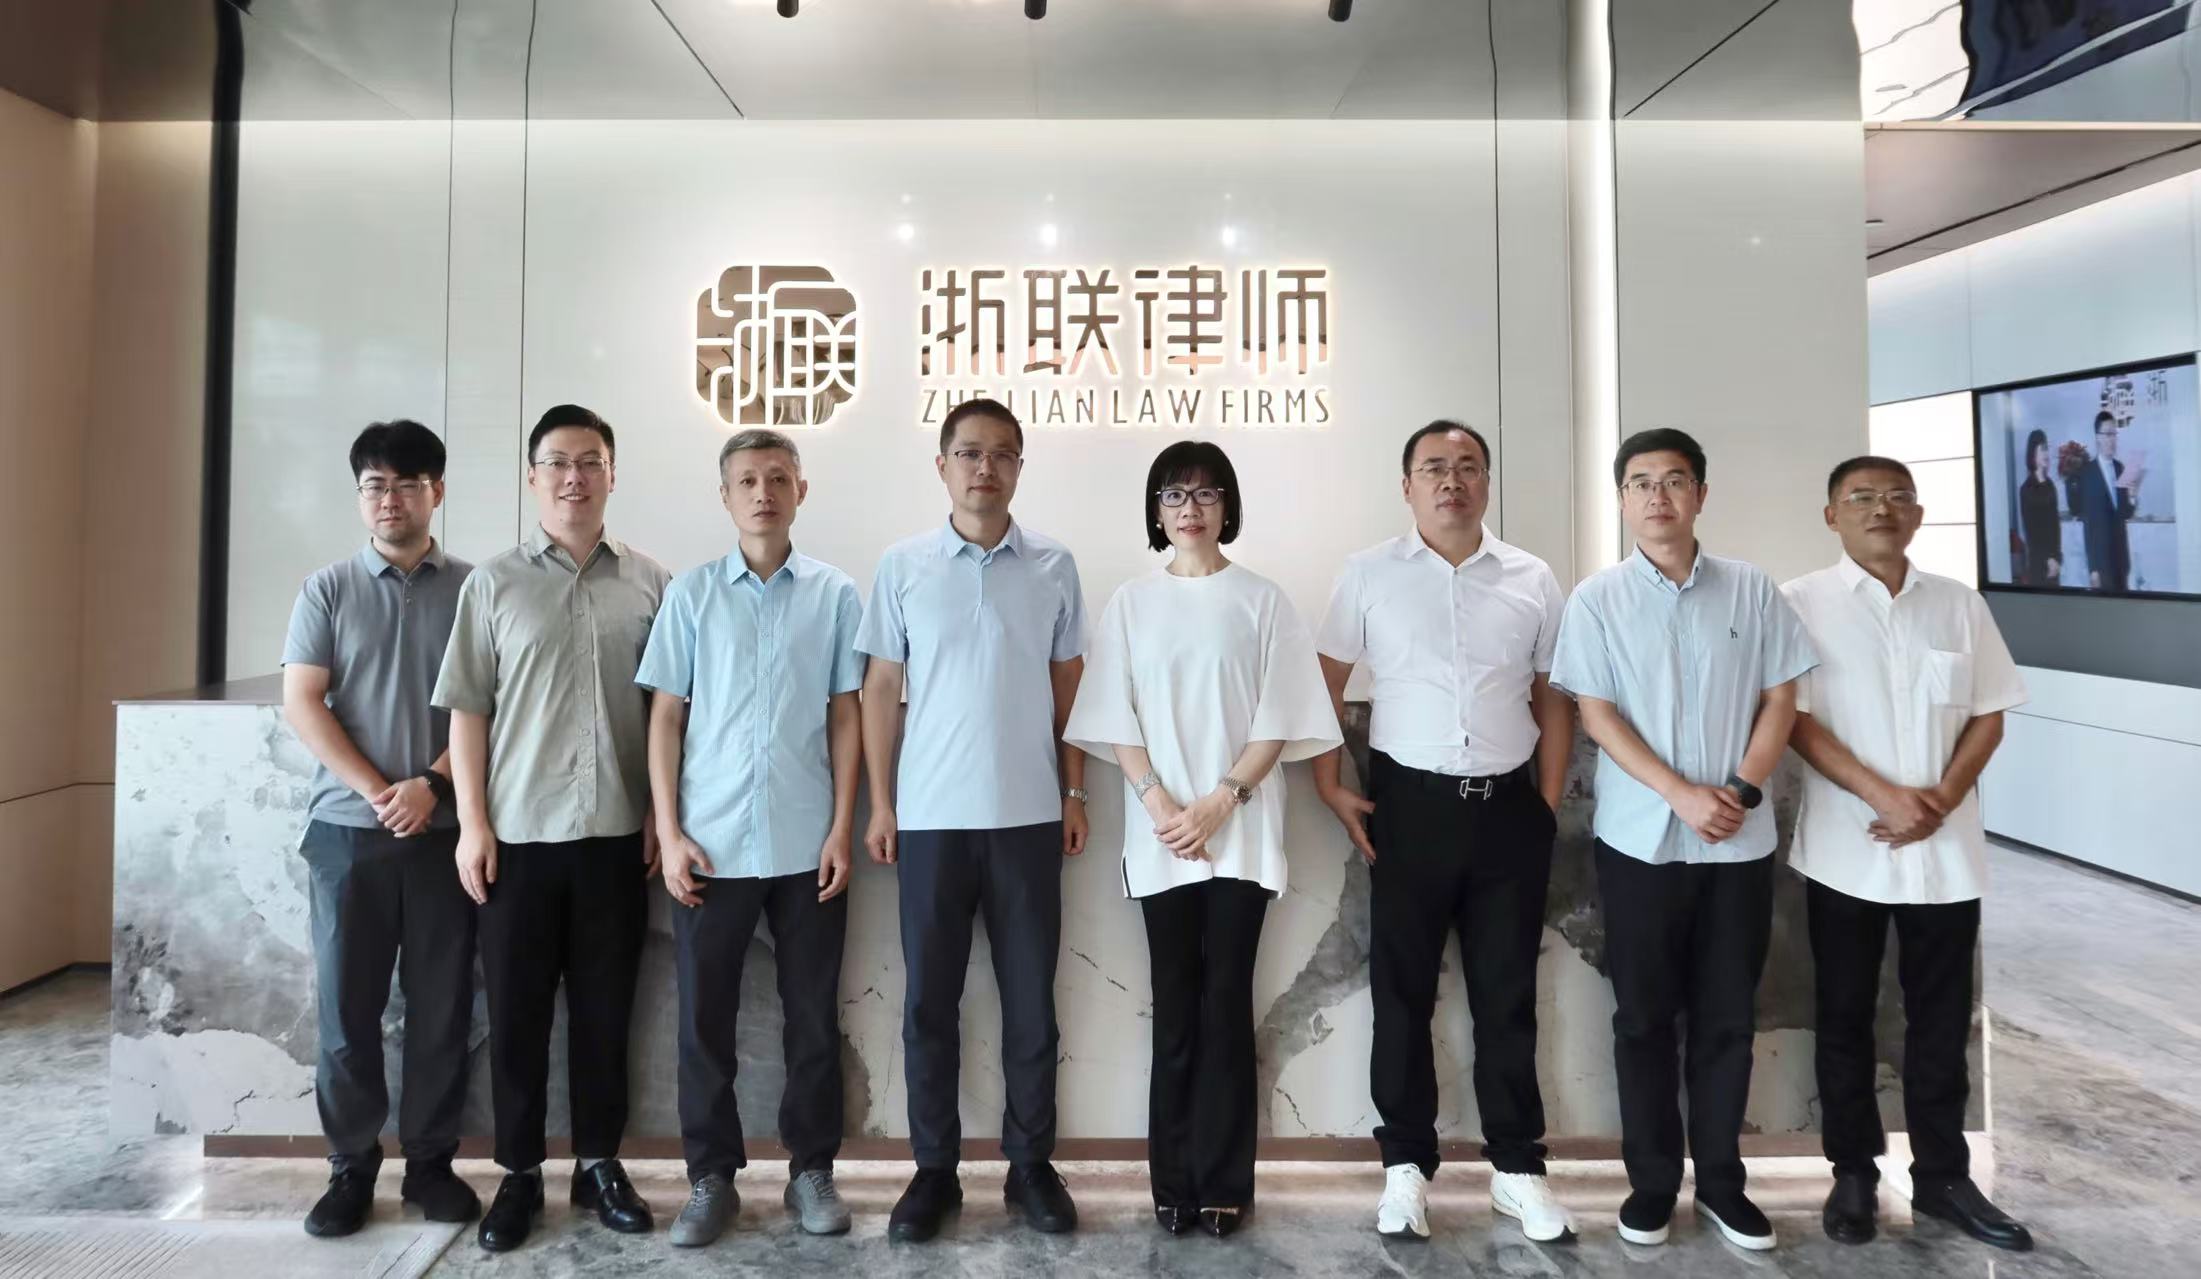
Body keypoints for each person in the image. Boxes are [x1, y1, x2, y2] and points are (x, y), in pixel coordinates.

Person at [1548, 427, 1817, 1253]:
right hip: (1639, 844)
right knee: (1641, 1019)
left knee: (1727, 1018)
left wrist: (1739, 789)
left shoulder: (1751, 589)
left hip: (1737, 843)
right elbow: (1596, 714)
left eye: (1672, 480)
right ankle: (1652, 1183)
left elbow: (1780, 698)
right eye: (1640, 482)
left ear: (1699, 493)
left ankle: (1724, 1185)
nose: (1656, 496)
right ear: (1620, 499)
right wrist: (1678, 793)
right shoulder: (1596, 599)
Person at [1065, 441, 1340, 1239]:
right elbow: (1113, 715)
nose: (1190, 508)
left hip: (1240, 833)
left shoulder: (1263, 601)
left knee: (1225, 1005)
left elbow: (1280, 716)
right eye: (1174, 494)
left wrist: (1221, 801)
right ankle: (1173, 1181)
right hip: (1161, 836)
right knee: (1175, 1007)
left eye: (1206, 493)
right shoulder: (1131, 603)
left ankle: (1224, 1182)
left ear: (1228, 507)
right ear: (1156, 510)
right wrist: (1158, 801)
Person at [1311, 421, 1577, 1244]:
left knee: (1506, 996)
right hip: (1408, 808)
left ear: (1485, 483)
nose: (1450, 481)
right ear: (1407, 485)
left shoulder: (1531, 577)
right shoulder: (1367, 574)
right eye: (1433, 468)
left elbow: (1551, 694)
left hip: (1508, 809)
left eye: (1466, 467)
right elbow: (1320, 682)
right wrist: (1328, 782)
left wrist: (1545, 801)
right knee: (1400, 995)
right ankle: (1404, 1166)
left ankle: (1518, 1168)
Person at [432, 404, 672, 1252]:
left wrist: (660, 814)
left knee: (607, 1014)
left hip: (615, 837)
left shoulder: (652, 583)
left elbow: (667, 713)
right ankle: (520, 1172)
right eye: (559, 463)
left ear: (612, 474)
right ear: (533, 477)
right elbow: (467, 711)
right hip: (519, 840)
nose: (576, 477)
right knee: (519, 1015)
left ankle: (599, 1162)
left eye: (591, 461)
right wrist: (472, 824)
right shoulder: (493, 584)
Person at [1785, 456, 2033, 1252]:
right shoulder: (1797, 602)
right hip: (1846, 849)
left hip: (1944, 853)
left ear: (1918, 514)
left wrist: (1940, 799)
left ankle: (1943, 1176)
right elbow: (1794, 720)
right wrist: (1883, 795)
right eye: (1859, 497)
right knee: (1843, 1017)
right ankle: (1852, 1172)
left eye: (1895, 496)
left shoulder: (1958, 603)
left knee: (1940, 1020)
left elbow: (1989, 711)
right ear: (1831, 515)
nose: (1879, 509)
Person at [857, 397, 1090, 1242]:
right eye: (968, 452)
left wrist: (1074, 793)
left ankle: (1030, 1165)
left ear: (1019, 466)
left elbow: (1070, 689)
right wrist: (882, 802)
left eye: (1000, 454)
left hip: (1028, 817)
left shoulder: (1054, 565)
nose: (983, 467)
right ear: (942, 465)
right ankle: (934, 1169)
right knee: (929, 1003)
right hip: (929, 819)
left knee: (1031, 1002)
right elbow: (881, 687)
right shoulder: (903, 565)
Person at [636, 429, 865, 1246]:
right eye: (746, 480)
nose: (762, 492)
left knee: (812, 1018)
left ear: (801, 489)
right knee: (704, 1021)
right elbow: (666, 717)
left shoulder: (835, 595)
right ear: (725, 495)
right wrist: (669, 830)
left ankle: (811, 1170)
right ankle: (710, 1178)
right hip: (710, 844)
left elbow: (846, 715)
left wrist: (842, 826)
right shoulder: (692, 594)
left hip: (808, 844)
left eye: (776, 478)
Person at [282, 420, 478, 1238]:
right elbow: (303, 700)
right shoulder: (326, 588)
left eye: (405, 483)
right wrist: (379, 793)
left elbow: (492, 707)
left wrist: (431, 786)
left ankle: (430, 1163)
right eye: (374, 484)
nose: (388, 499)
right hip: (348, 836)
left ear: (437, 491)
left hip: (446, 835)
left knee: (441, 1010)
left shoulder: (475, 588)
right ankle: (350, 1167)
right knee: (347, 1013)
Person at [2066, 410, 2141, 591]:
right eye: (2107, 434)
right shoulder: (2087, 474)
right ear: (2097, 437)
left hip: (2121, 561)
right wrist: (2093, 568)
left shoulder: (2121, 468)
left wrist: (2132, 496)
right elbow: (2089, 525)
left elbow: (2125, 514)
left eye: (2114, 434)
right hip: (2101, 565)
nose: (2112, 439)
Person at [2016, 428, 2061, 587]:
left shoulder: (2051, 485)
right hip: (2038, 563)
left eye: (2047, 449)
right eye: (2042, 449)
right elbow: (2032, 533)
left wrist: (2056, 558)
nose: (2046, 454)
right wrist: (2048, 559)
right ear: (2033, 454)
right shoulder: (2026, 489)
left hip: (2054, 563)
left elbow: (2055, 526)